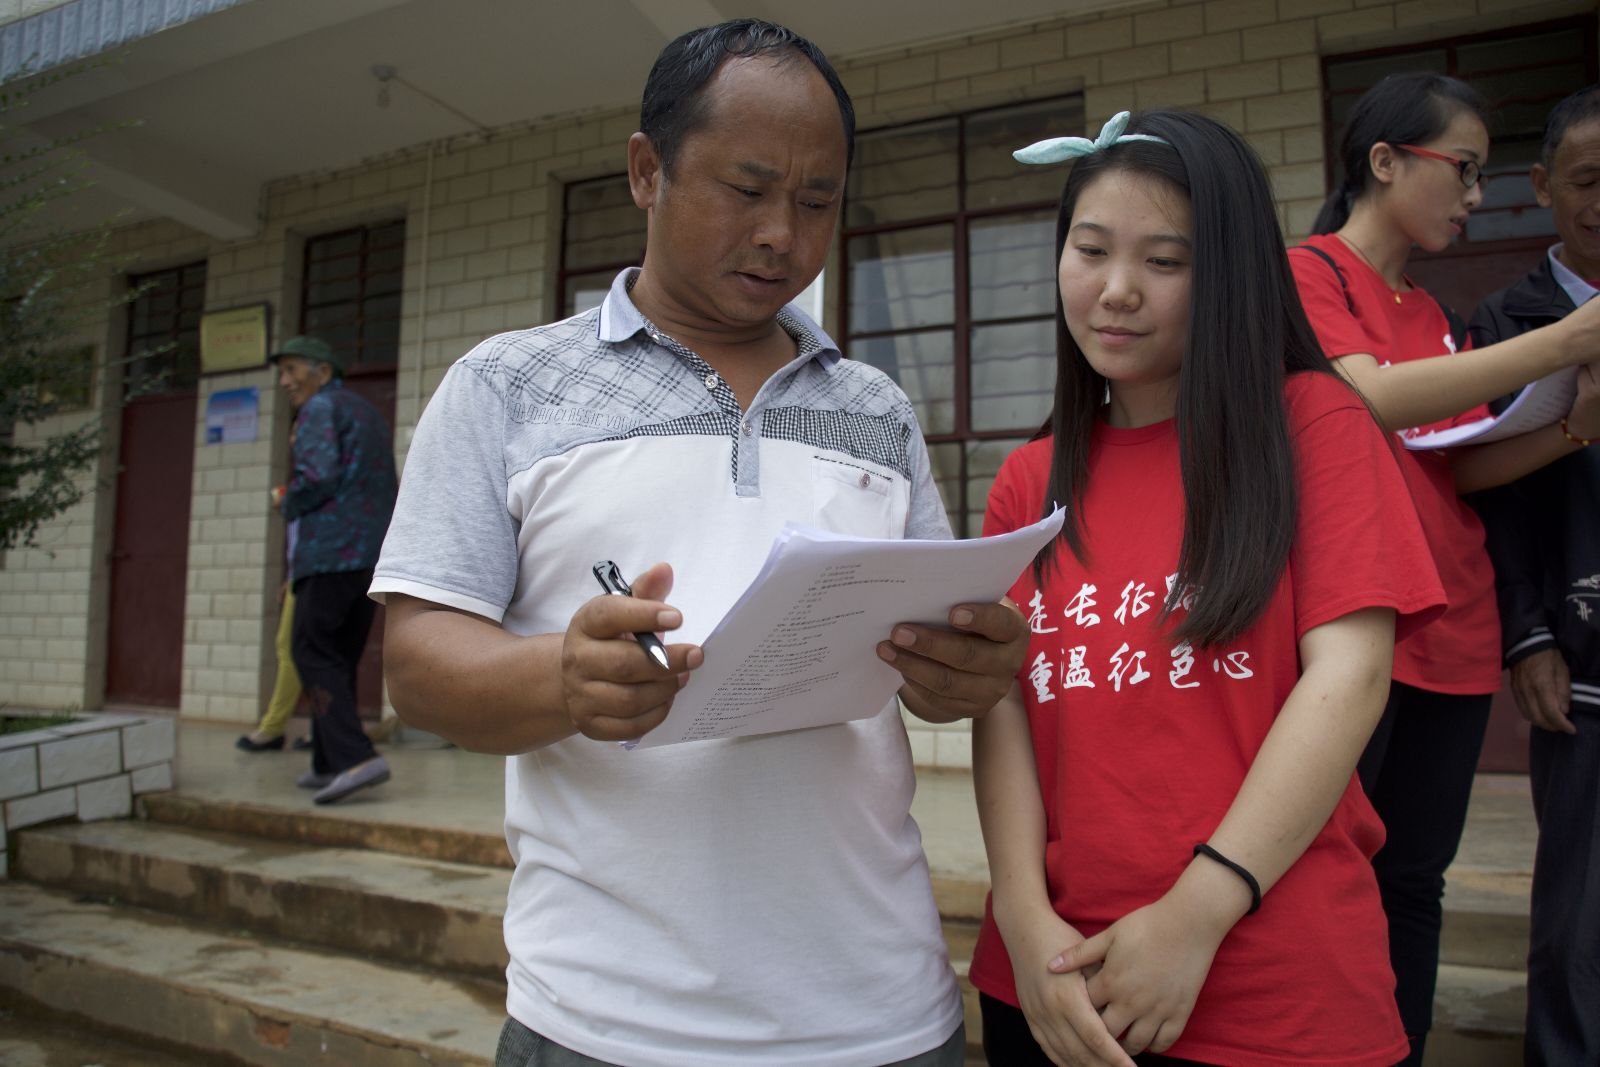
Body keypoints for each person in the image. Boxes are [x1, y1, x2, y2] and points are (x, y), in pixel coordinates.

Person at [370, 20, 1027, 1067]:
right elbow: (415, 669)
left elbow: (924, 670)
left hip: (885, 1012)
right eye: (747, 188)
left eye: (817, 202)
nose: (781, 235)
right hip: (604, 1021)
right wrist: (562, 677)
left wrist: (964, 672)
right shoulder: (507, 387)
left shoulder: (876, 407)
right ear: (647, 171)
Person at [967, 108, 1449, 1067]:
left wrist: (1197, 911)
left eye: (1164, 261)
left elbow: (1349, 677)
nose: (1116, 290)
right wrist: (1021, 918)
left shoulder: (1313, 424)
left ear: (1229, 272)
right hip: (1051, 983)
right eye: (1090, 250)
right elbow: (1002, 700)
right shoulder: (1031, 475)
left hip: (1269, 989)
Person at [1288, 72, 1600, 1065]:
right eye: (1462, 169)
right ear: (1384, 162)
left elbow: (1458, 463)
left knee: (1416, 878)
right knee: (1326, 866)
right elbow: (1365, 399)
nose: (1473, 196)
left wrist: (1575, 427)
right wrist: (1562, 341)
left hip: (1454, 622)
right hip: (1357, 621)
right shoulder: (1306, 275)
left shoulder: (1433, 312)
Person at [1468, 84, 1600, 1067]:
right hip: (1582, 655)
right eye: (1589, 179)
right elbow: (1491, 497)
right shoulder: (1507, 324)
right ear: (1544, 186)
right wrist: (1529, 634)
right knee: (1578, 914)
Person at [271, 334, 398, 805]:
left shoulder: (319, 408)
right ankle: (327, 762)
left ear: (322, 372)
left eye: (291, 370)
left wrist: (286, 500)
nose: (284, 381)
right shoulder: (366, 412)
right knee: (338, 656)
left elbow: (318, 477)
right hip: (368, 556)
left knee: (310, 650)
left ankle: (354, 758)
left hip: (329, 552)